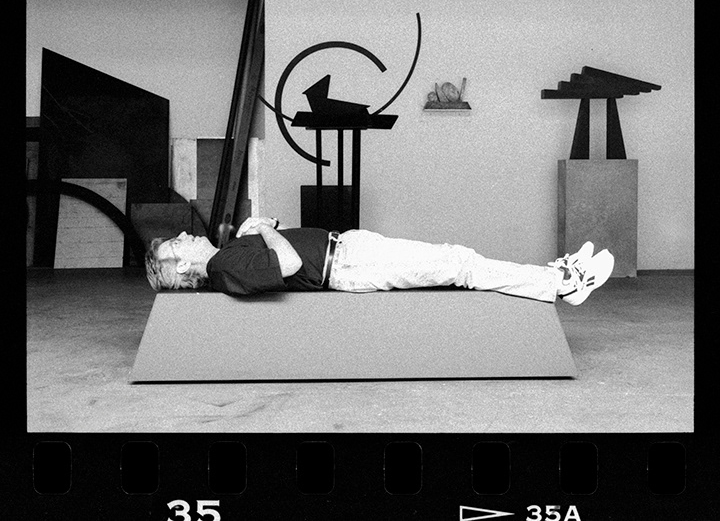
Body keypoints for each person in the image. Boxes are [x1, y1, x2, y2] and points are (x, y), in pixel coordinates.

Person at [145, 216, 615, 306]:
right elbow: (287, 265)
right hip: (349, 267)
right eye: (177, 245)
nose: (186, 235)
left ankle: (555, 278)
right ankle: (562, 283)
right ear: (181, 268)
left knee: (458, 259)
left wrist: (254, 232)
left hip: (349, 250)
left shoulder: (226, 255)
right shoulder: (222, 268)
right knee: (460, 265)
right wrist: (263, 229)